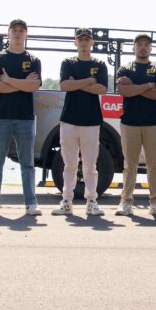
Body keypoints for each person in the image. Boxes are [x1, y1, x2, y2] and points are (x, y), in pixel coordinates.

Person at [0, 18, 43, 217]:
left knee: (27, 163)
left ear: (26, 35)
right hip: (1, 117)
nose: (17, 33)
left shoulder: (34, 60)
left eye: (21, 30)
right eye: (14, 30)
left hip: (25, 118)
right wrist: (20, 84)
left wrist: (7, 80)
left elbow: (33, 86)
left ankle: (31, 203)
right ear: (8, 34)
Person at [52, 28, 108, 216]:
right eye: (80, 39)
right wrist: (88, 81)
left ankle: (92, 200)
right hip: (69, 120)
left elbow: (101, 88)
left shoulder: (99, 64)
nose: (84, 42)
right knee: (69, 164)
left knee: (90, 165)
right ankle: (66, 200)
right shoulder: (68, 63)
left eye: (87, 39)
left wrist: (78, 83)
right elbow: (65, 85)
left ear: (92, 43)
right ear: (75, 43)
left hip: (91, 121)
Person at [116, 33, 156, 216]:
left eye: (146, 44)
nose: (143, 47)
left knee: (154, 164)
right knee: (130, 165)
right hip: (130, 123)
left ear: (151, 48)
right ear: (134, 47)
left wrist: (135, 86)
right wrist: (147, 85)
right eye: (139, 44)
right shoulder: (125, 68)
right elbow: (124, 91)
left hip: (153, 122)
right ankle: (126, 202)